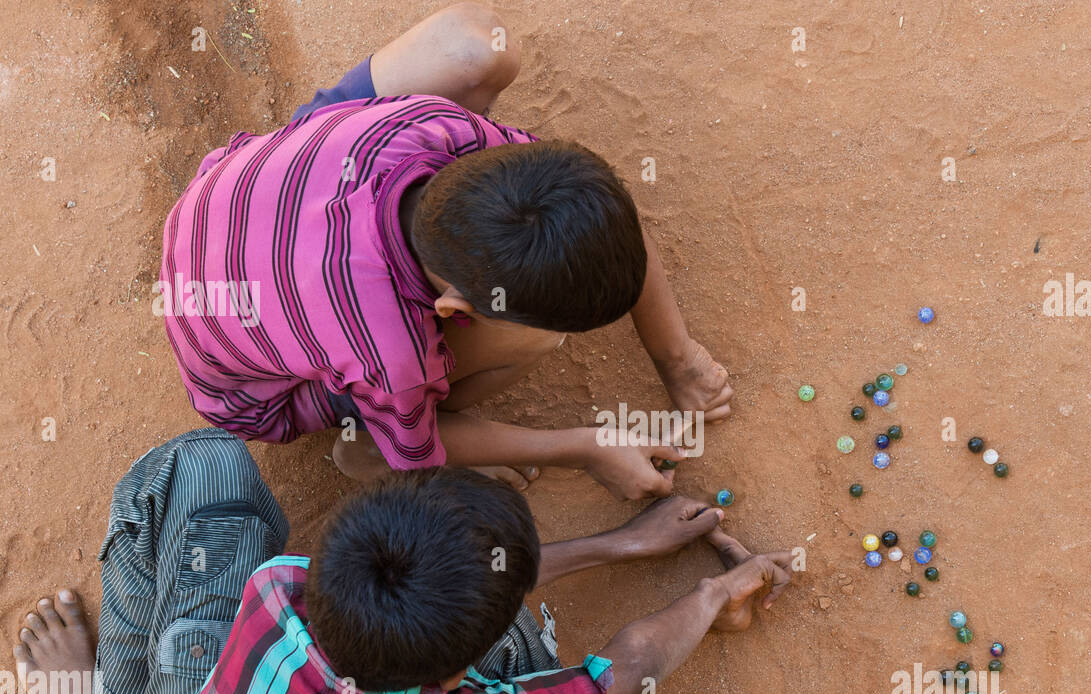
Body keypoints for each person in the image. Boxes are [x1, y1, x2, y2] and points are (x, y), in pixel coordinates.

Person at [14, 429, 794, 694]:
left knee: (203, 464)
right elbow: (622, 673)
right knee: (525, 648)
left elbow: (443, 601)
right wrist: (711, 592)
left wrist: (623, 545)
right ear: (456, 676)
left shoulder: (276, 592)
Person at [160, 2, 732, 500]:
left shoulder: (433, 127)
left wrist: (678, 359)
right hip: (257, 391)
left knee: (476, 47)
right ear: (454, 310)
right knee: (534, 335)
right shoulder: (388, 349)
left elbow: (597, 204)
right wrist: (587, 447)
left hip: (254, 193)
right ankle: (366, 449)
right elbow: (421, 435)